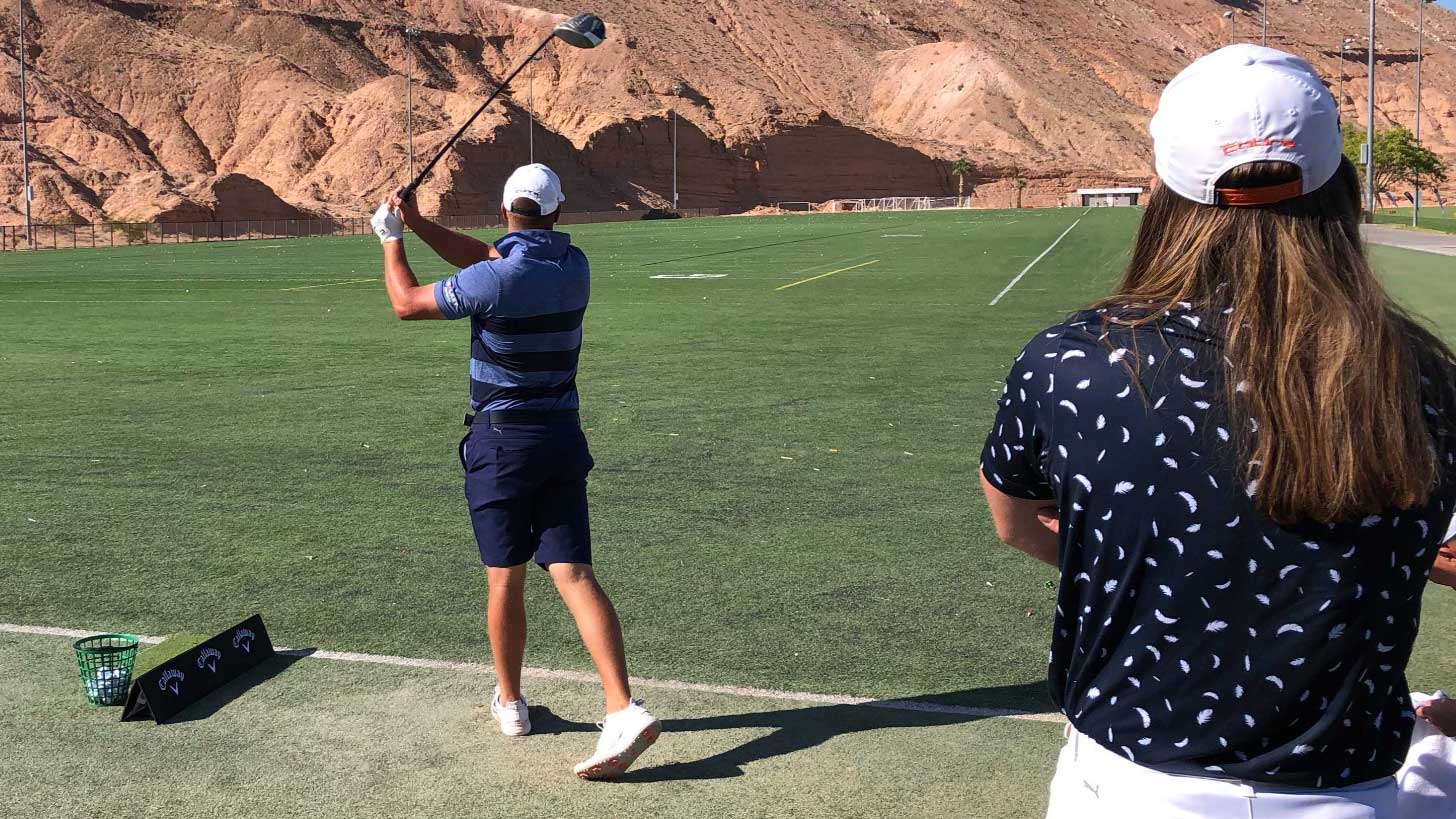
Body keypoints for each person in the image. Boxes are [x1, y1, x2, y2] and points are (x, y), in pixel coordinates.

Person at [979, 45, 1456, 818]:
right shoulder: (1426, 378)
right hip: (1351, 792)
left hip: (1124, 791)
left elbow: (1017, 521)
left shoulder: (1074, 365)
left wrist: (1171, 560)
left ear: (1165, 187)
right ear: (1342, 185)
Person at [369, 164, 661, 780]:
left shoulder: (495, 279)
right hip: (561, 437)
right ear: (557, 214)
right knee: (575, 573)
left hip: (503, 445)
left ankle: (511, 704)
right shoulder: (572, 266)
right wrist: (419, 221)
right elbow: (490, 257)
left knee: (505, 580)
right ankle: (622, 707)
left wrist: (391, 237)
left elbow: (405, 304)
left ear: (505, 211)